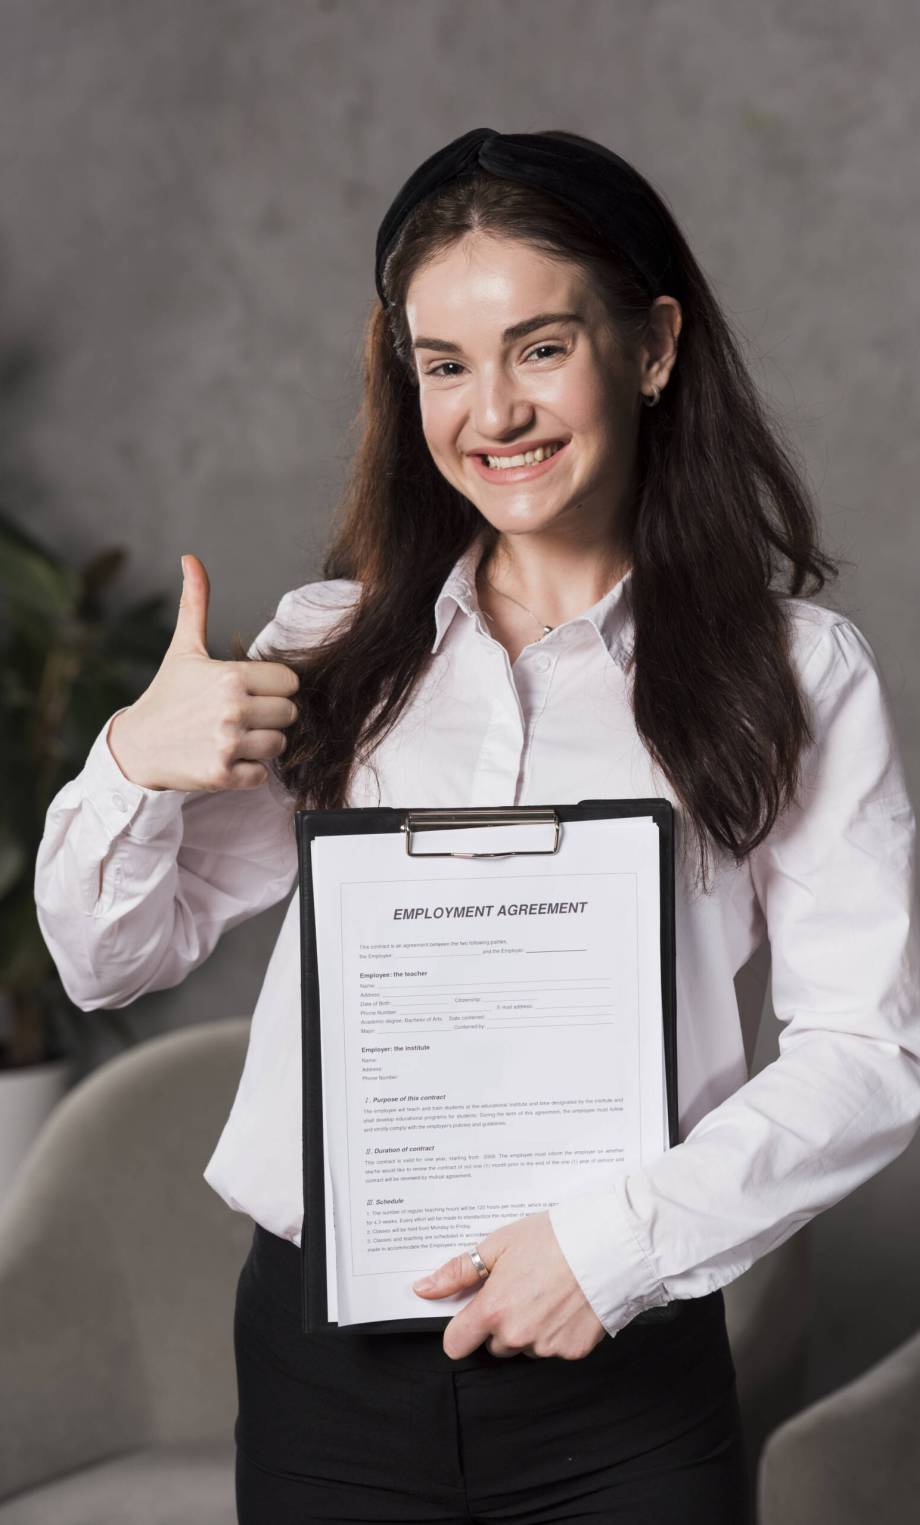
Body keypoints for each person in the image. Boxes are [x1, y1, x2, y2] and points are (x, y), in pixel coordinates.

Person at [34, 127, 920, 1524]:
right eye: (441, 363)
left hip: (620, 1366)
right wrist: (134, 763)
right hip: (321, 1370)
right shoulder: (329, 648)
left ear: (654, 344)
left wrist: (611, 1244)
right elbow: (106, 963)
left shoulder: (800, 672)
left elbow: (870, 1051)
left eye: (540, 346)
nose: (489, 409)